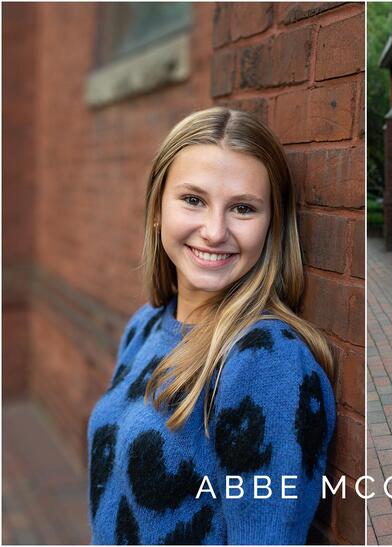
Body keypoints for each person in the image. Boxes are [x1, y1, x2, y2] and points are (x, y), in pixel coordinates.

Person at [87, 107, 336, 544]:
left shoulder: (267, 361)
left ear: (271, 228)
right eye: (193, 200)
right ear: (158, 208)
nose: (214, 231)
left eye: (243, 208)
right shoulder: (145, 326)